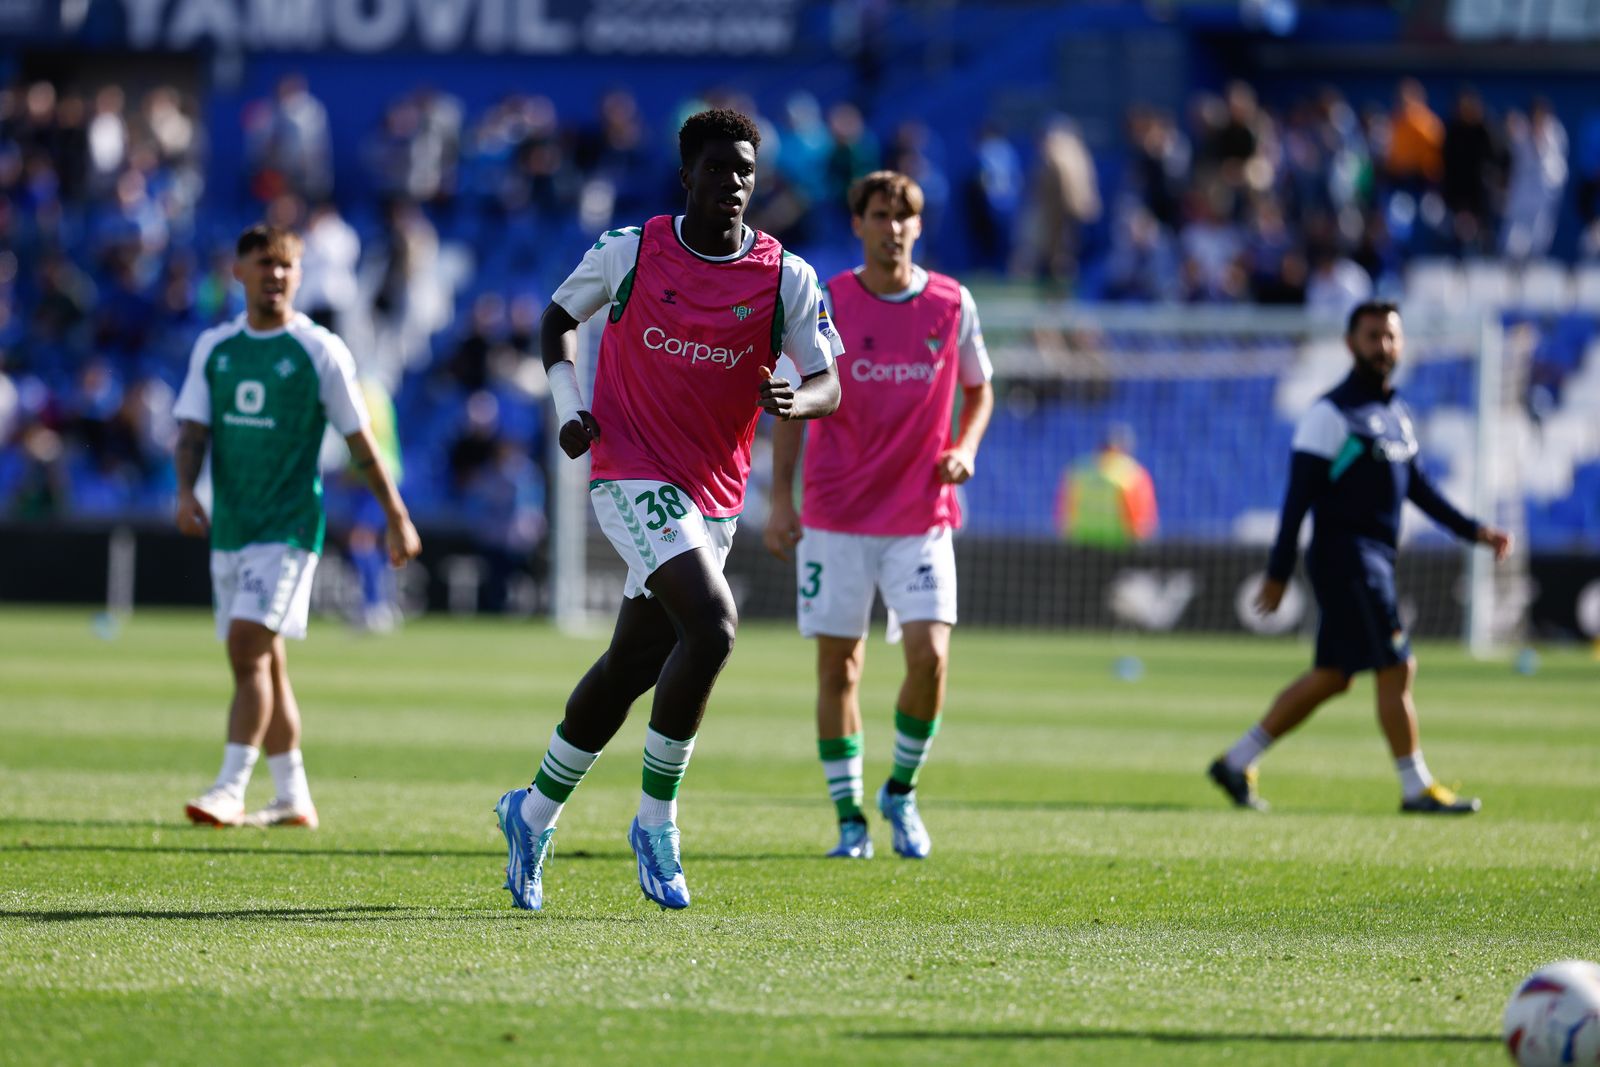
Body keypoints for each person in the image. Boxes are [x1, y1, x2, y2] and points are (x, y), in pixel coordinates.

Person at [494, 109, 842, 912]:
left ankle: (532, 810)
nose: (735, 184)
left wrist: (797, 398)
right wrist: (567, 405)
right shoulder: (633, 251)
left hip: (711, 496)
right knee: (714, 627)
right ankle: (656, 822)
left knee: (629, 668)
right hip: (630, 471)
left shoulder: (784, 274)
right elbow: (554, 320)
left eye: (746, 172)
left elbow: (829, 379)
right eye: (719, 169)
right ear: (687, 175)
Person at [764, 170, 994, 861]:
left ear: (918, 227)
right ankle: (849, 818)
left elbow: (981, 390)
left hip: (921, 514)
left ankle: (901, 789)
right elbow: (790, 400)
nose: (892, 226)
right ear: (857, 222)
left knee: (932, 655)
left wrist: (966, 446)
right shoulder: (827, 301)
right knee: (841, 669)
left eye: (904, 215)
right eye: (879, 213)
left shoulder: (953, 304)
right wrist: (781, 499)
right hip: (835, 515)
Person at [1208, 302, 1511, 815]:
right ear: (1351, 344)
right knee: (1398, 666)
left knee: (1334, 676)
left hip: (1374, 559)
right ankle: (1416, 788)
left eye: (1391, 336)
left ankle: (1237, 761)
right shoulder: (1331, 414)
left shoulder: (1397, 415)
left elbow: (1421, 490)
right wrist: (1279, 572)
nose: (1383, 346)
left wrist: (1474, 531)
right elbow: (1297, 499)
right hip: (1347, 559)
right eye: (1372, 336)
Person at [173, 224, 421, 829]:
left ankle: (230, 787)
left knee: (247, 647)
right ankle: (292, 796)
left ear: (299, 276)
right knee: (268, 659)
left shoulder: (319, 351)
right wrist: (184, 491)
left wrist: (396, 515)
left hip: (287, 529)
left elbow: (361, 441)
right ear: (239, 272)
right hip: (233, 525)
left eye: (285, 265)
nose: (275, 275)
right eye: (263, 264)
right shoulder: (216, 348)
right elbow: (193, 430)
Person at [1057, 424, 1158, 548]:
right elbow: (1139, 522)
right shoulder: (1132, 474)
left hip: (1083, 547)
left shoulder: (1078, 470)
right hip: (1117, 547)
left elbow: (1064, 513)